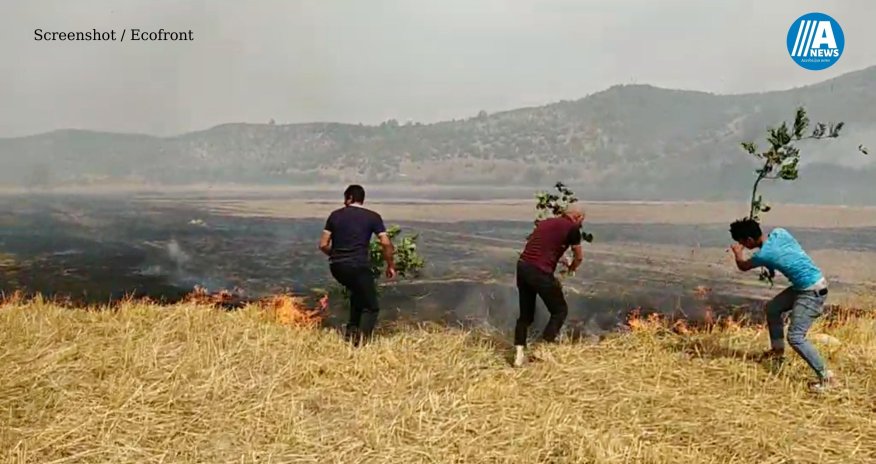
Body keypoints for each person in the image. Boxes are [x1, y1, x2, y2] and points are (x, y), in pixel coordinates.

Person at [729, 218, 835, 392]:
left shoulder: (763, 255)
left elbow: (743, 266)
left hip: (811, 292)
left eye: (741, 242)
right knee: (773, 308)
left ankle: (827, 378)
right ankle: (777, 352)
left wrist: (737, 253)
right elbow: (786, 255)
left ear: (748, 240)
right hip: (809, 283)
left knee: (796, 337)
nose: (741, 244)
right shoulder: (780, 232)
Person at [319, 185, 396, 345]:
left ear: (349, 198)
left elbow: (323, 244)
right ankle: (362, 343)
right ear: (361, 199)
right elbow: (386, 243)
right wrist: (390, 265)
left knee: (357, 296)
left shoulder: (335, 216)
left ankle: (350, 335)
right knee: (371, 307)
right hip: (359, 265)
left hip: (337, 267)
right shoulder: (373, 217)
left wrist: (337, 255)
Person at [513, 203, 586, 367]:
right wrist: (571, 268)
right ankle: (543, 349)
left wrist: (559, 257)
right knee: (560, 310)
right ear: (578, 217)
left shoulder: (545, 223)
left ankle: (518, 355)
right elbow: (579, 257)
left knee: (526, 316)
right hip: (540, 271)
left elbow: (542, 245)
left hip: (523, 266)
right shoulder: (573, 229)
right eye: (582, 220)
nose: (582, 224)